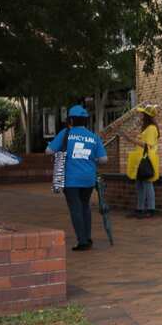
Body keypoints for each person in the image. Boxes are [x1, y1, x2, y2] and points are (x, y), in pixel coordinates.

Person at [46, 105, 108, 251]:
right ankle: (87, 237)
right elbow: (104, 159)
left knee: (75, 209)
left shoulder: (65, 133)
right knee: (85, 206)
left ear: (71, 119)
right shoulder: (93, 136)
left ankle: (82, 241)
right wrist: (92, 159)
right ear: (86, 120)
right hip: (88, 179)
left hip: (71, 179)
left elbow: (49, 151)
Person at [126, 104, 160, 218]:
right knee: (140, 183)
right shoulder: (147, 128)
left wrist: (132, 140)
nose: (140, 115)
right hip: (142, 158)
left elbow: (148, 145)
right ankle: (140, 208)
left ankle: (150, 209)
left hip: (147, 158)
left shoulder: (151, 129)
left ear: (146, 115)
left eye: (142, 113)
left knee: (147, 183)